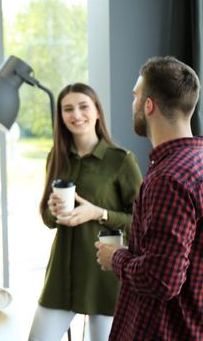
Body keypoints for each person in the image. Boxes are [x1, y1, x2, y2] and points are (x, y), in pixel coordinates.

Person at [96, 56, 203, 340]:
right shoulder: (197, 162)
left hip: (164, 331)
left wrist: (115, 257)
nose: (132, 103)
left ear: (148, 105)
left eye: (135, 95)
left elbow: (162, 279)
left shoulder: (168, 179)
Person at [28, 83, 143, 341]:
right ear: (61, 116)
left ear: (97, 112)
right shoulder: (56, 157)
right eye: (68, 109)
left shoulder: (121, 160)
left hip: (104, 276)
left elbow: (141, 222)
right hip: (62, 274)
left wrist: (98, 213)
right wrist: (52, 209)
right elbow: (48, 220)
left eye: (83, 106)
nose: (76, 114)